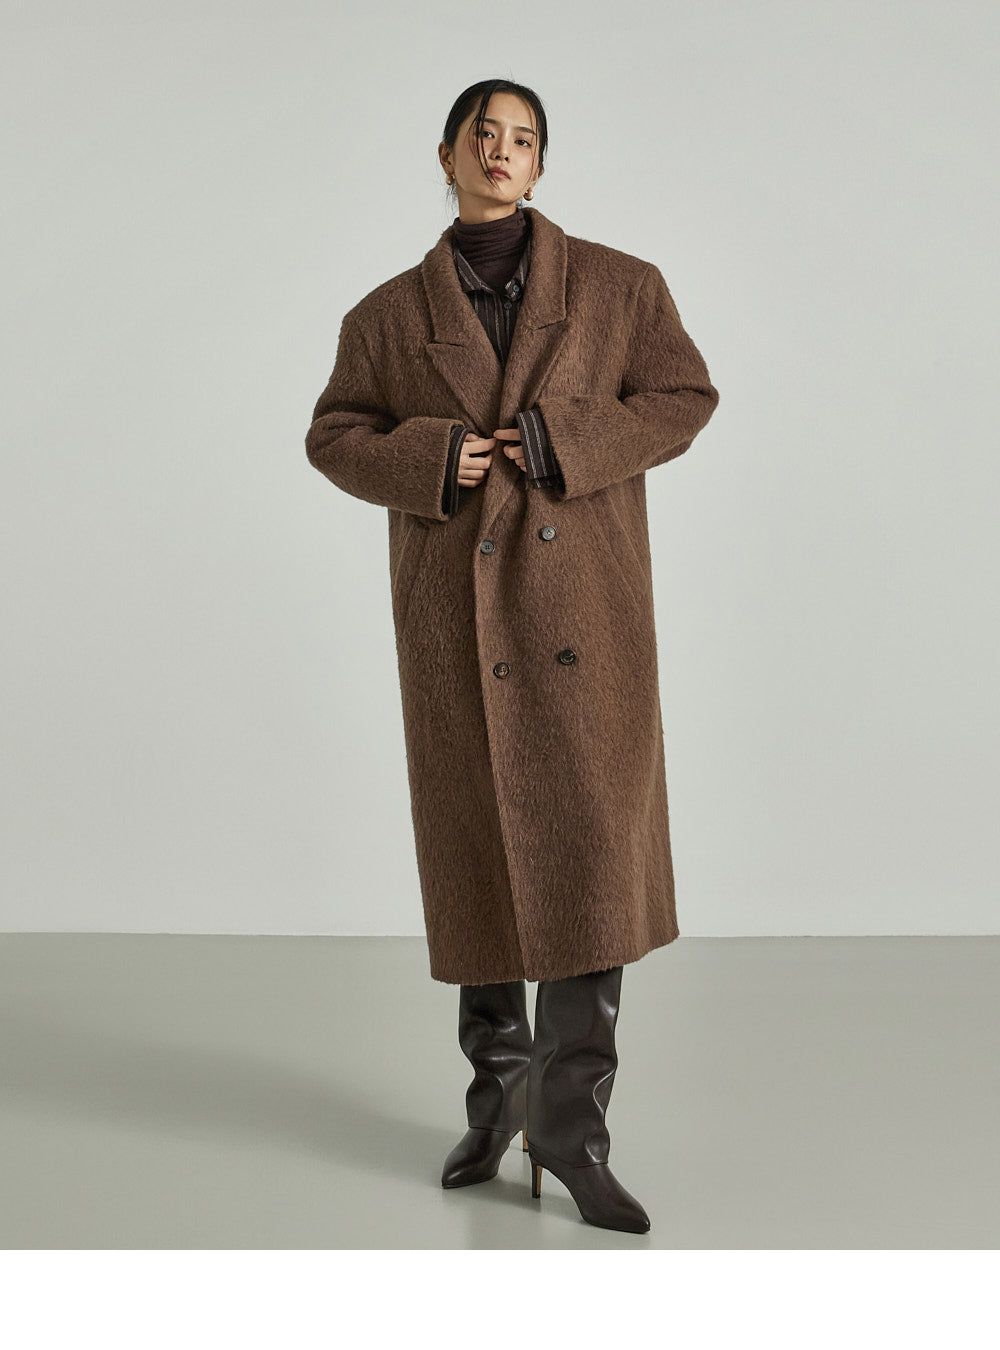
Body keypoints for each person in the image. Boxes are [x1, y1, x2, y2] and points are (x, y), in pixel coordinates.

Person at [304, 79, 719, 1234]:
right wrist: (435, 456)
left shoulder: (622, 287)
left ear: (541, 165)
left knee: (589, 873)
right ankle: (495, 1107)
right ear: (445, 155)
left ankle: (572, 1135)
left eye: (522, 138)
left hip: (586, 620)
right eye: (481, 134)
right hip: (459, 631)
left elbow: (683, 397)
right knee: (480, 864)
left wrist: (558, 437)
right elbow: (333, 434)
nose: (500, 151)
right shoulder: (386, 316)